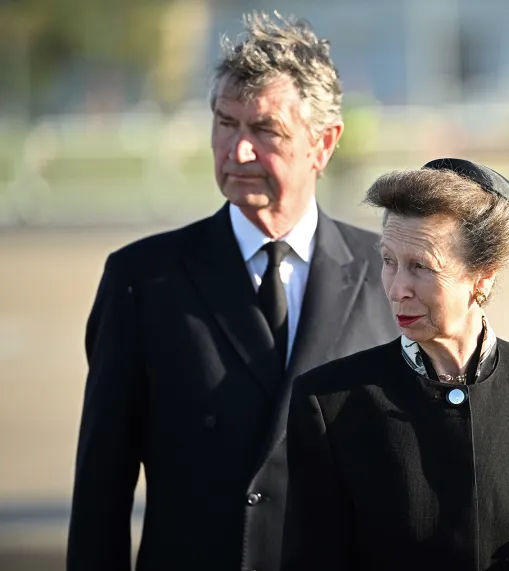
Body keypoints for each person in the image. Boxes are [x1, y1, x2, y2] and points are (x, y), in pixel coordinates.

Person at [66, 12, 398, 571]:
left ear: (324, 142)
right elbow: (102, 486)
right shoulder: (141, 280)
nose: (237, 150)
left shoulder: (388, 272)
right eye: (225, 123)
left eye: (265, 130)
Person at [279, 158, 509, 571]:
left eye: (421, 267)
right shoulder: (331, 401)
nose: (396, 289)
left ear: (482, 276)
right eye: (388, 260)